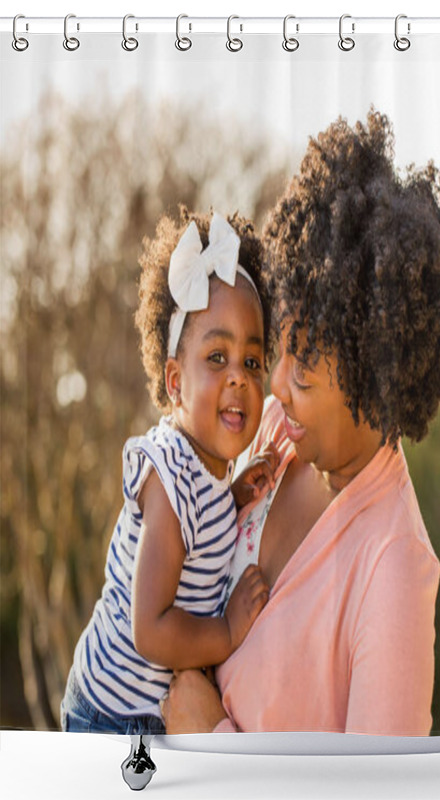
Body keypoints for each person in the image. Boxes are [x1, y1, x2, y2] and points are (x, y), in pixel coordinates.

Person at [162, 110, 440, 736]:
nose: (273, 387)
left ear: (376, 389)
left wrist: (210, 739)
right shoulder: (278, 434)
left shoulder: (393, 571)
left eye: (303, 374)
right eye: (284, 350)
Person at [61, 210, 276, 734]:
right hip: (109, 715)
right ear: (175, 382)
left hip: (148, 716)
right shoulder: (168, 477)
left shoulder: (210, 473)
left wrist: (234, 498)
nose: (238, 380)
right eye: (217, 357)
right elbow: (151, 631)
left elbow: (200, 532)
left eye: (252, 362)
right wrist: (226, 633)